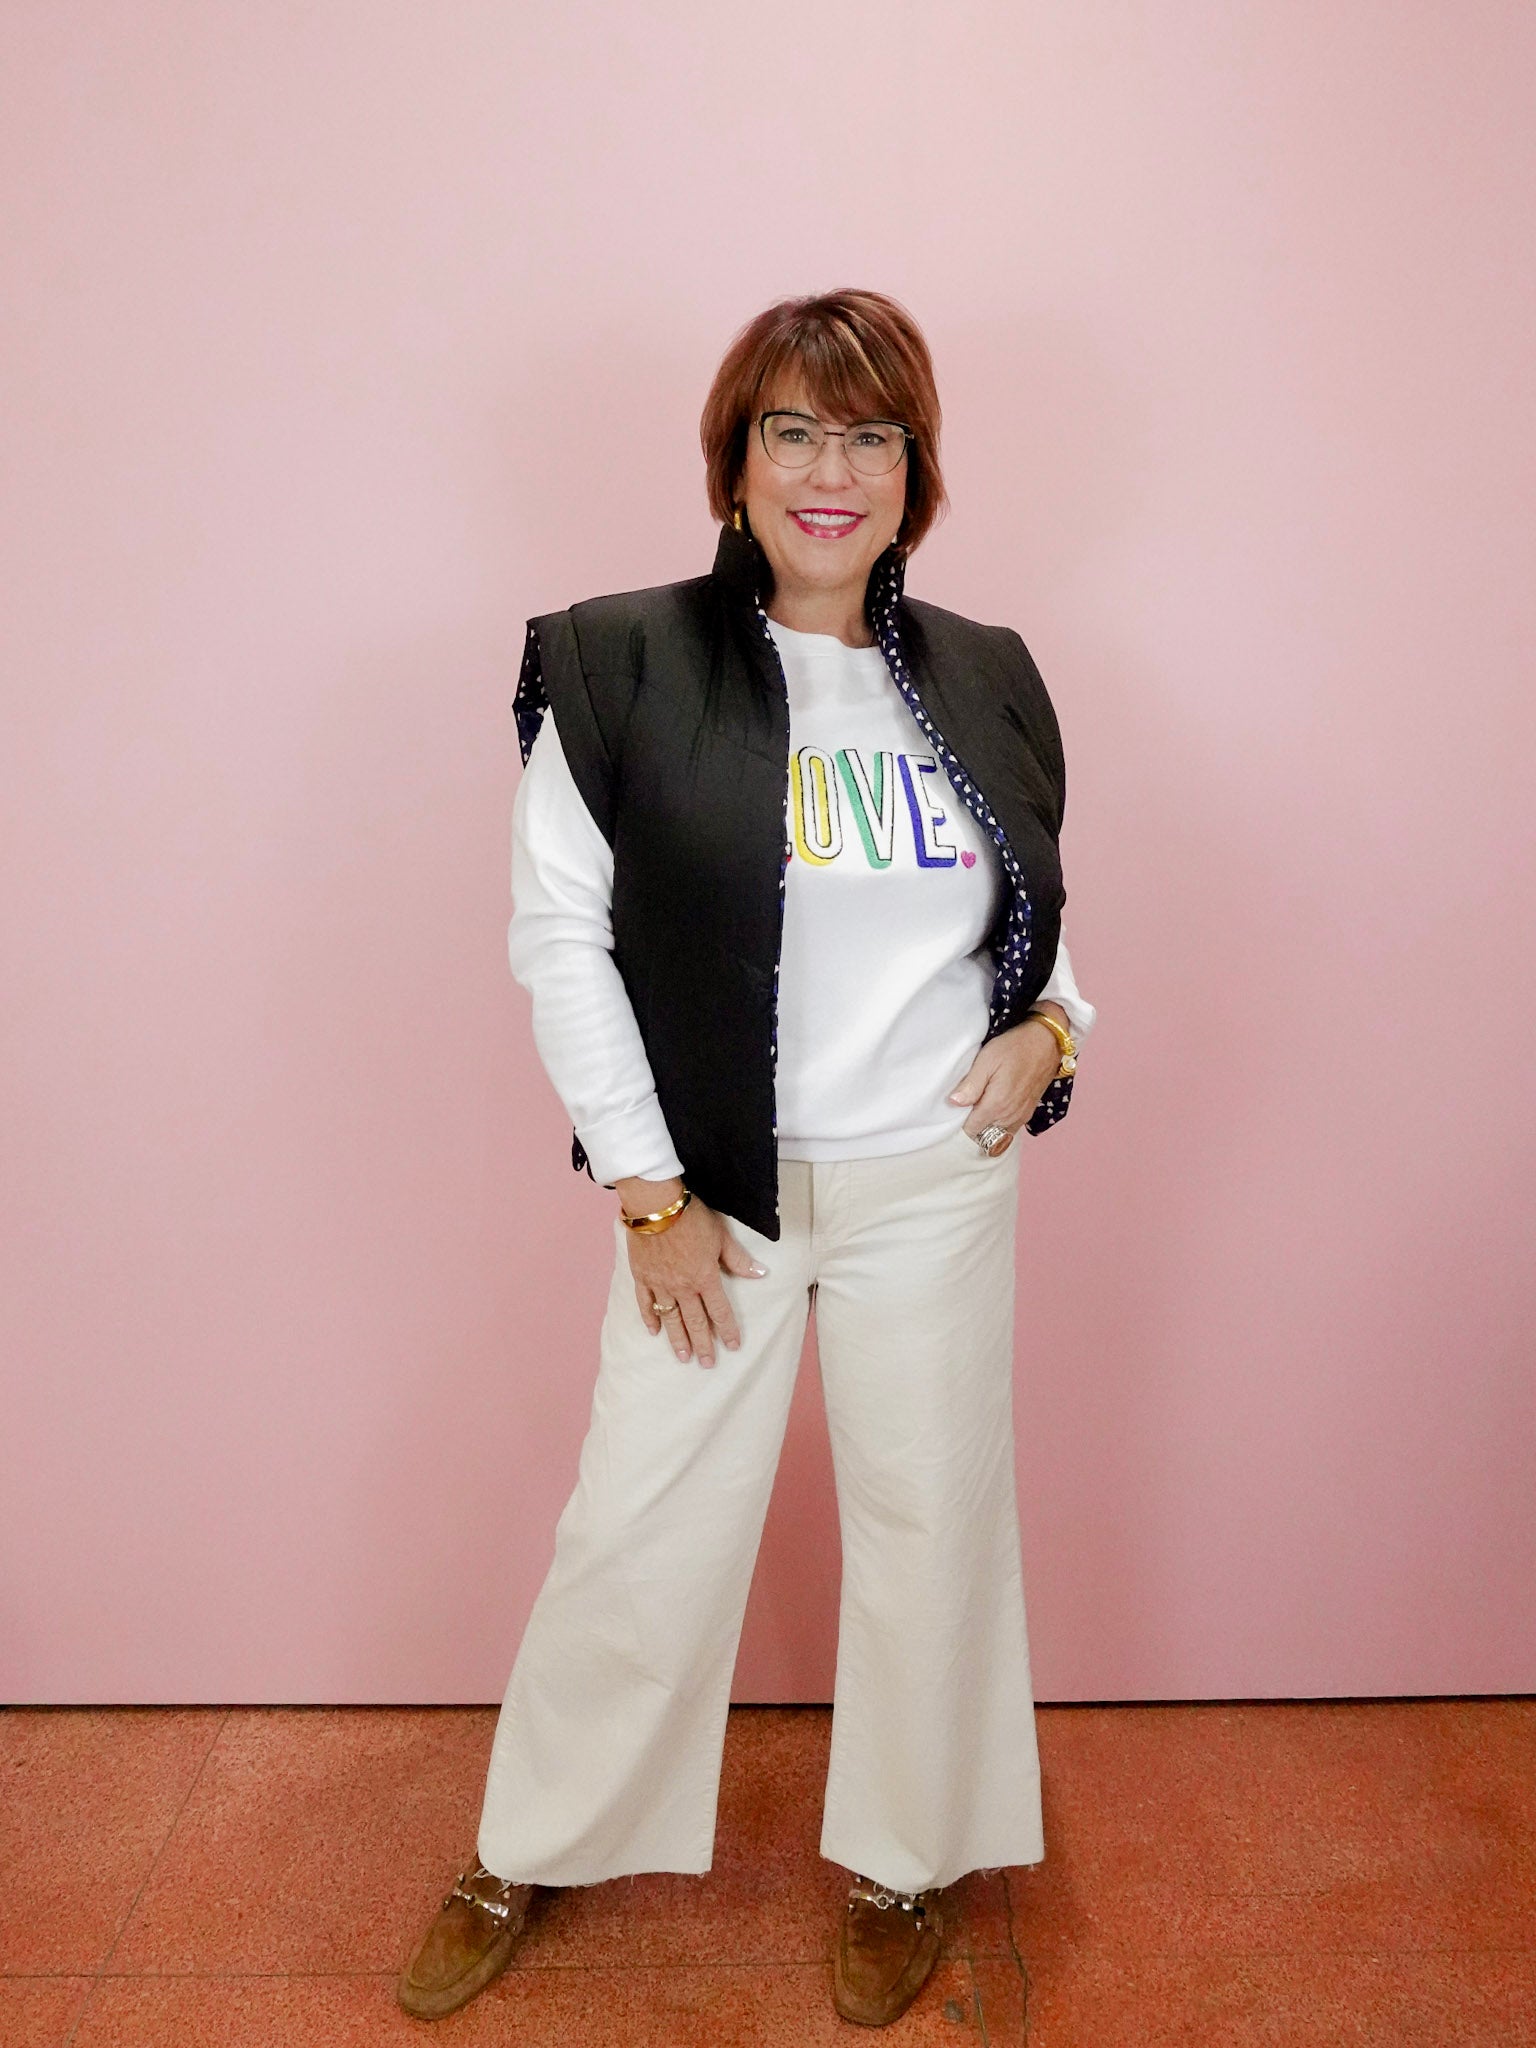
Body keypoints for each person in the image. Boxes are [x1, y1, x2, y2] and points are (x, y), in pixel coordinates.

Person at [398, 288, 1097, 2029]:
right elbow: (562, 941)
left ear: (914, 472)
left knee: (934, 1522)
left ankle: (911, 1857)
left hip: (933, 1183)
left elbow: (1025, 908)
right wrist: (648, 1195)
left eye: (870, 436)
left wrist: (1055, 1027)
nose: (829, 470)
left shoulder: (989, 671)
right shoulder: (619, 661)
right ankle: (531, 1840)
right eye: (793, 431)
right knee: (643, 1522)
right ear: (735, 463)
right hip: (713, 1188)